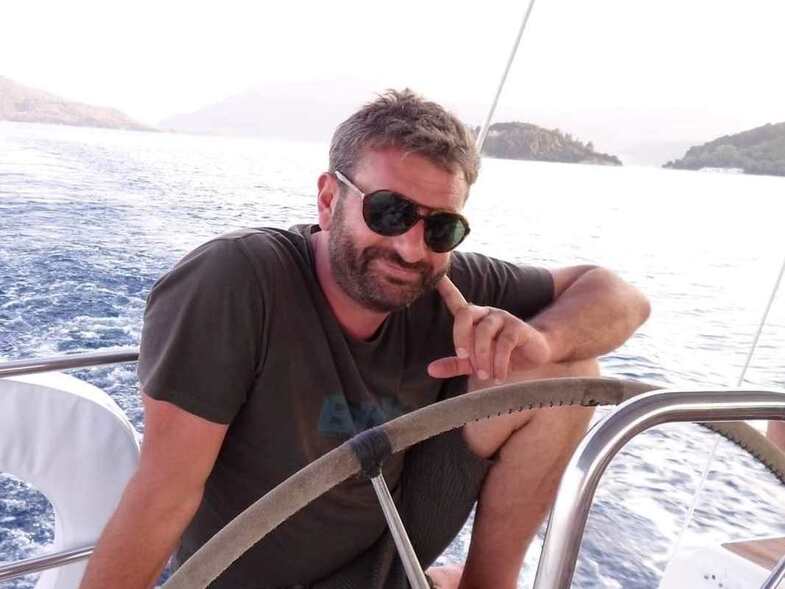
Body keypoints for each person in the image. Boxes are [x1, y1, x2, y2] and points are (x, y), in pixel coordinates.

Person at [80, 89, 650, 589]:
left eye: (441, 227)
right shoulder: (235, 281)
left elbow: (620, 296)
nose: (411, 248)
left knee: (567, 374)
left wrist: (543, 341)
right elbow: (163, 496)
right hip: (246, 578)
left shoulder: (445, 282)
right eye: (389, 212)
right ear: (330, 200)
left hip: (388, 556)